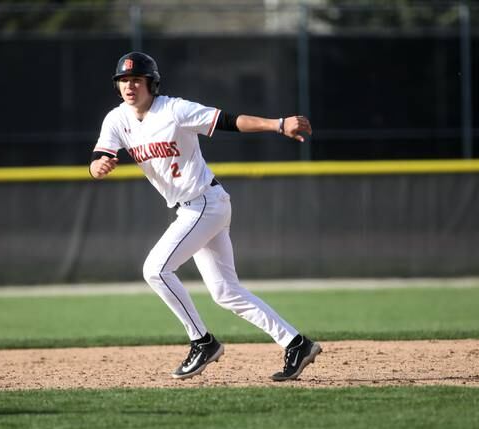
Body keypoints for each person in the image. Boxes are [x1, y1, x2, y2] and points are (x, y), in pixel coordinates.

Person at [90, 52, 322, 382]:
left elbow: (228, 120)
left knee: (155, 269)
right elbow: (101, 155)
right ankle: (296, 343)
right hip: (196, 207)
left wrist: (278, 124)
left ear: (151, 84)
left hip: (203, 205)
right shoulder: (116, 119)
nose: (129, 86)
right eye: (123, 81)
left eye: (136, 80)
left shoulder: (174, 110)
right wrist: (96, 167)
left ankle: (203, 341)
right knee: (226, 291)